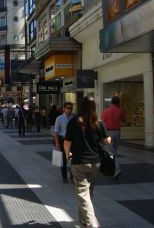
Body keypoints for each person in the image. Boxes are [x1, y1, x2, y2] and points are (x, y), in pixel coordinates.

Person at [64, 97, 111, 228]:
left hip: (79, 162)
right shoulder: (99, 122)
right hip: (95, 163)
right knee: (88, 192)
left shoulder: (74, 122)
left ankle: (91, 223)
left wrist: (68, 154)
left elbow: (67, 142)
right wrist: (108, 137)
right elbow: (107, 141)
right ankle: (83, 220)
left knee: (83, 194)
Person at [101, 96, 125, 179]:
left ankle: (116, 168)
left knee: (111, 152)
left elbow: (102, 122)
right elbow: (124, 120)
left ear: (111, 102)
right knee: (114, 150)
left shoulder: (106, 110)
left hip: (108, 132)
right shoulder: (120, 111)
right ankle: (113, 168)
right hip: (117, 132)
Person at [54, 102, 74, 183]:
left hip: (73, 140)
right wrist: (57, 143)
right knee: (64, 159)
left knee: (74, 159)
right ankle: (64, 177)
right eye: (67, 108)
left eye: (70, 108)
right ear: (64, 109)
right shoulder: (59, 118)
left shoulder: (74, 118)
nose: (69, 110)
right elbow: (56, 132)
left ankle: (72, 176)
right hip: (63, 139)